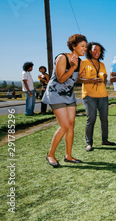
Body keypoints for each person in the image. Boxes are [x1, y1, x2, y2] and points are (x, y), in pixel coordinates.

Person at [43, 34, 87, 167]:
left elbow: (71, 80)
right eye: (82, 46)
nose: (85, 49)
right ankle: (50, 155)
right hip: (55, 93)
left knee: (71, 125)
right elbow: (61, 79)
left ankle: (68, 155)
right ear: (74, 46)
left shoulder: (79, 61)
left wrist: (80, 75)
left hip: (68, 94)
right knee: (64, 126)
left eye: (86, 46)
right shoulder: (62, 57)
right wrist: (73, 68)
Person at [79, 42, 114, 152]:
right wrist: (91, 80)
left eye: (99, 50)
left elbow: (104, 79)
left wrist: (103, 78)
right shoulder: (83, 63)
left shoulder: (102, 64)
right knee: (91, 118)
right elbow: (78, 80)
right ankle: (89, 143)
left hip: (103, 95)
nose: (97, 52)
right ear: (90, 50)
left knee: (104, 119)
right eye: (94, 49)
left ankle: (105, 140)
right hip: (89, 95)